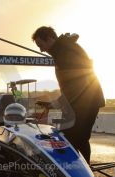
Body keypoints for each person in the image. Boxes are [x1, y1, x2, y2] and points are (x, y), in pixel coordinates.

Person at [32, 26, 105, 163]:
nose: (41, 50)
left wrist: (57, 103)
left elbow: (77, 84)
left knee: (70, 138)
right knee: (79, 138)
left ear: (49, 38)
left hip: (85, 102)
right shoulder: (64, 48)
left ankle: (77, 174)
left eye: (41, 45)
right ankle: (83, 171)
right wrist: (56, 103)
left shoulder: (65, 52)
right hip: (84, 101)